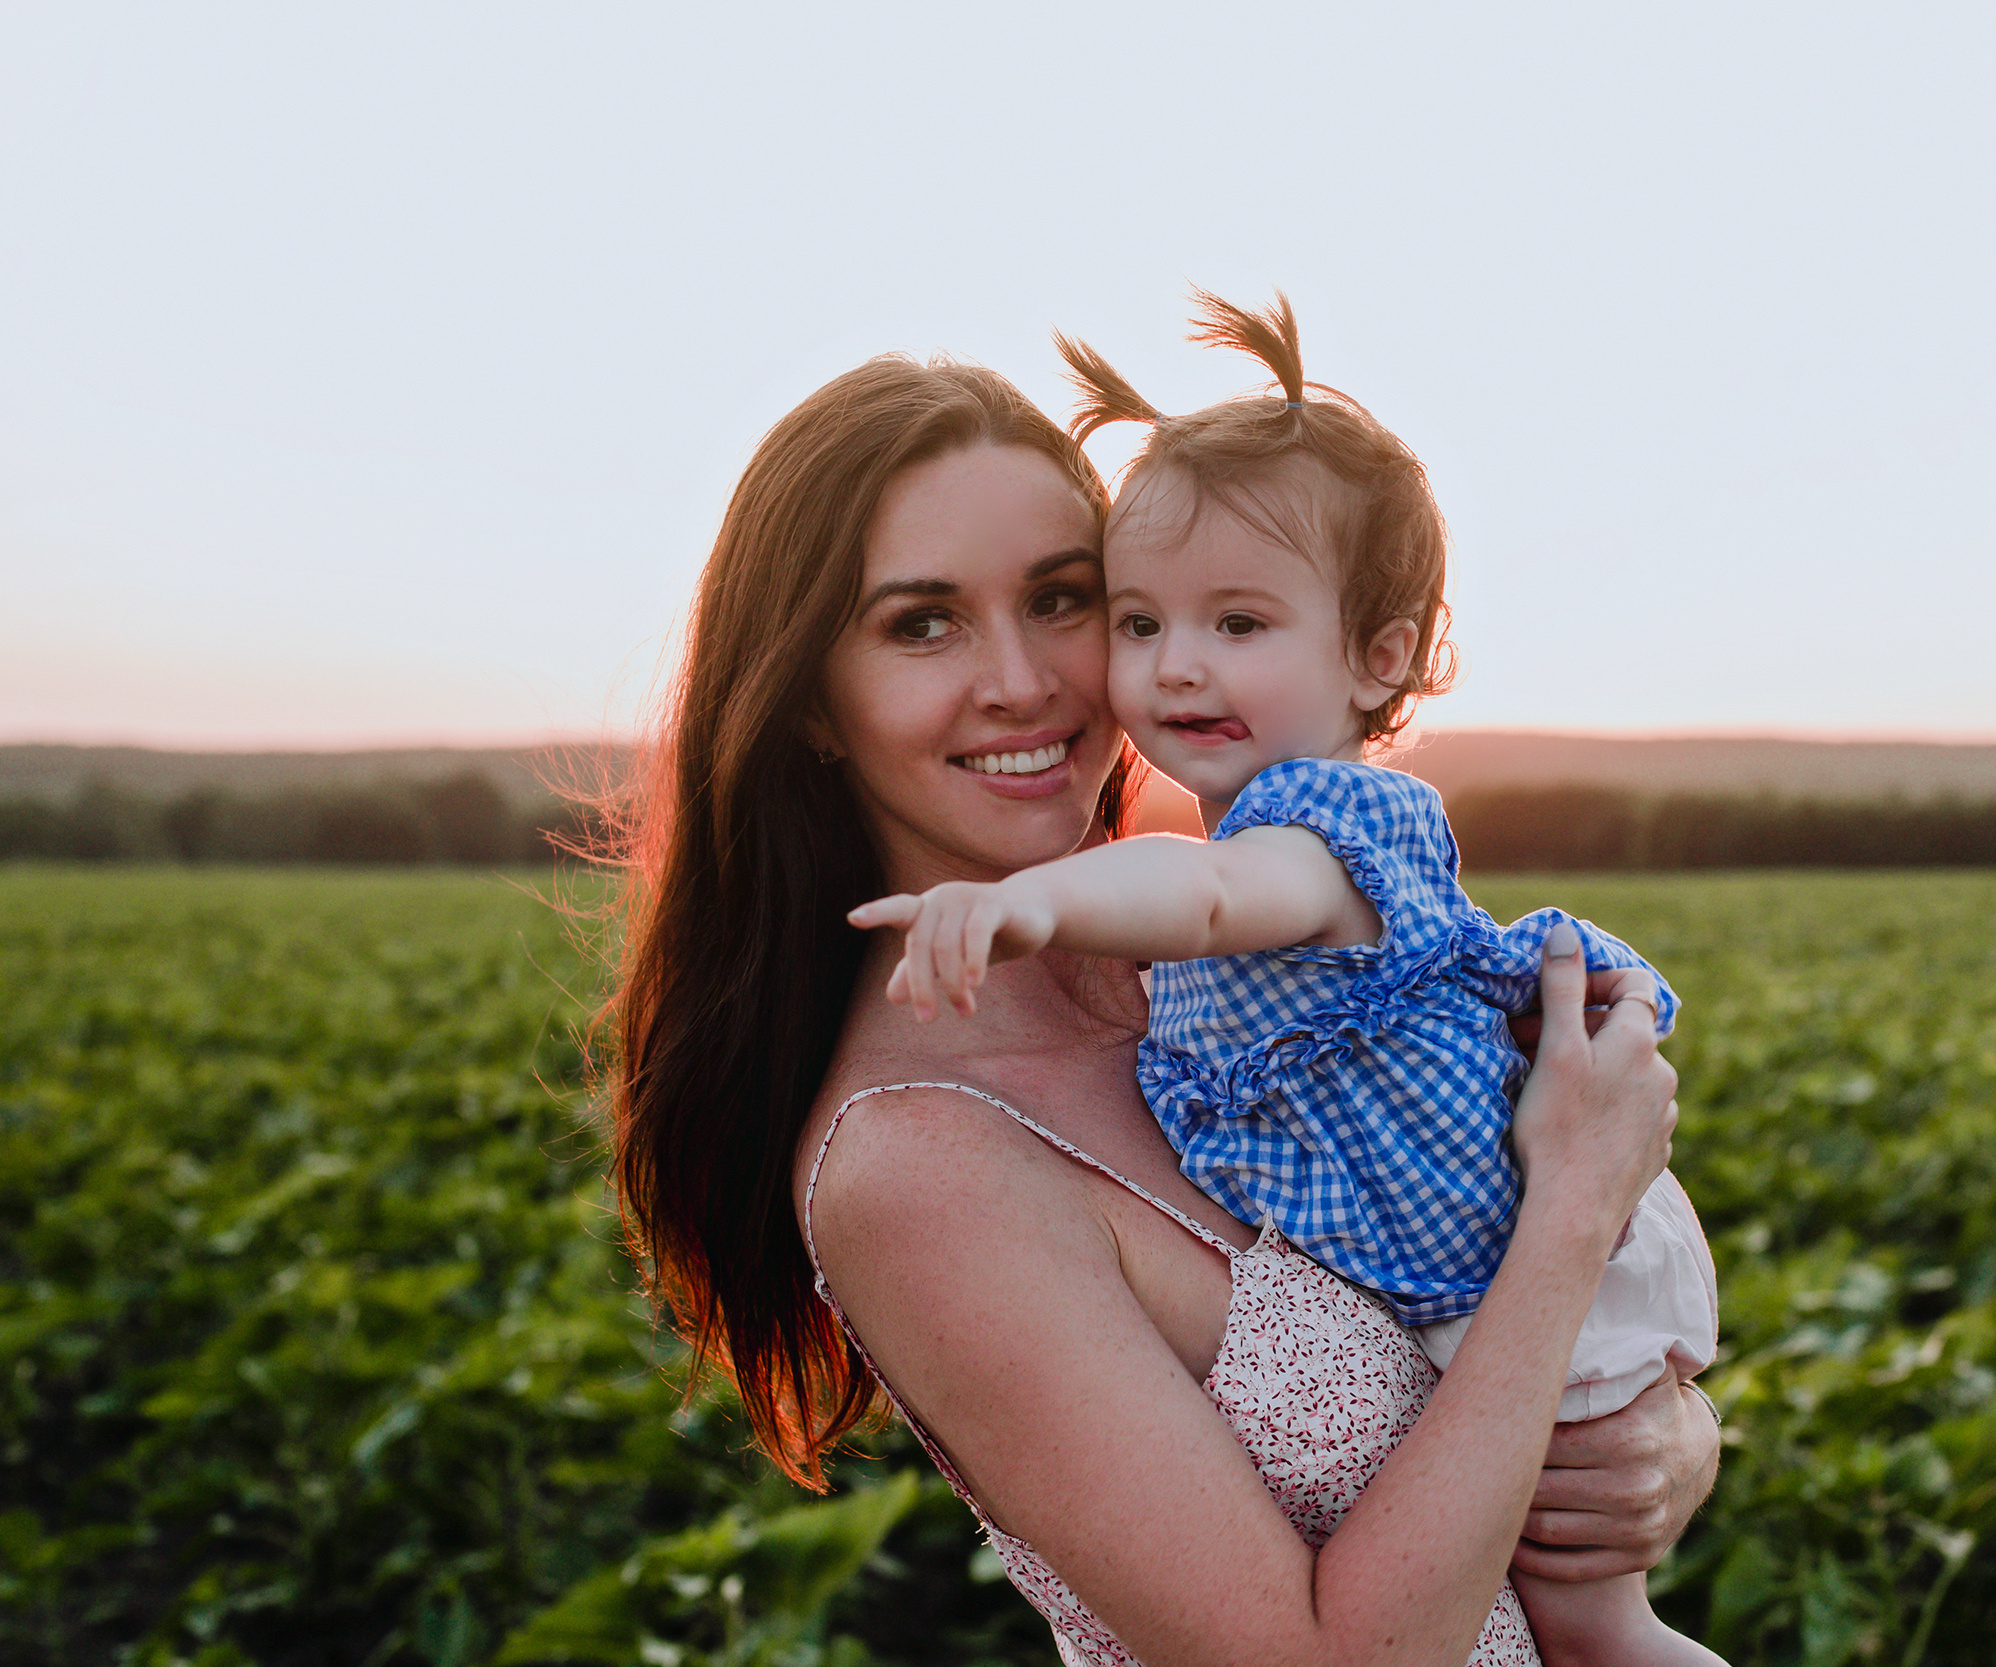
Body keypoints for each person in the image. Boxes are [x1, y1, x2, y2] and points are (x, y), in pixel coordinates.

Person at [602, 348, 1721, 1667]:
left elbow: (1513, 1377)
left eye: (1064, 601)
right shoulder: (916, 1167)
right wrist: (1573, 1214)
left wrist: (1661, 1445)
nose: (1025, 681)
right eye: (922, 623)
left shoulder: (1220, 970)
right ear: (810, 706)